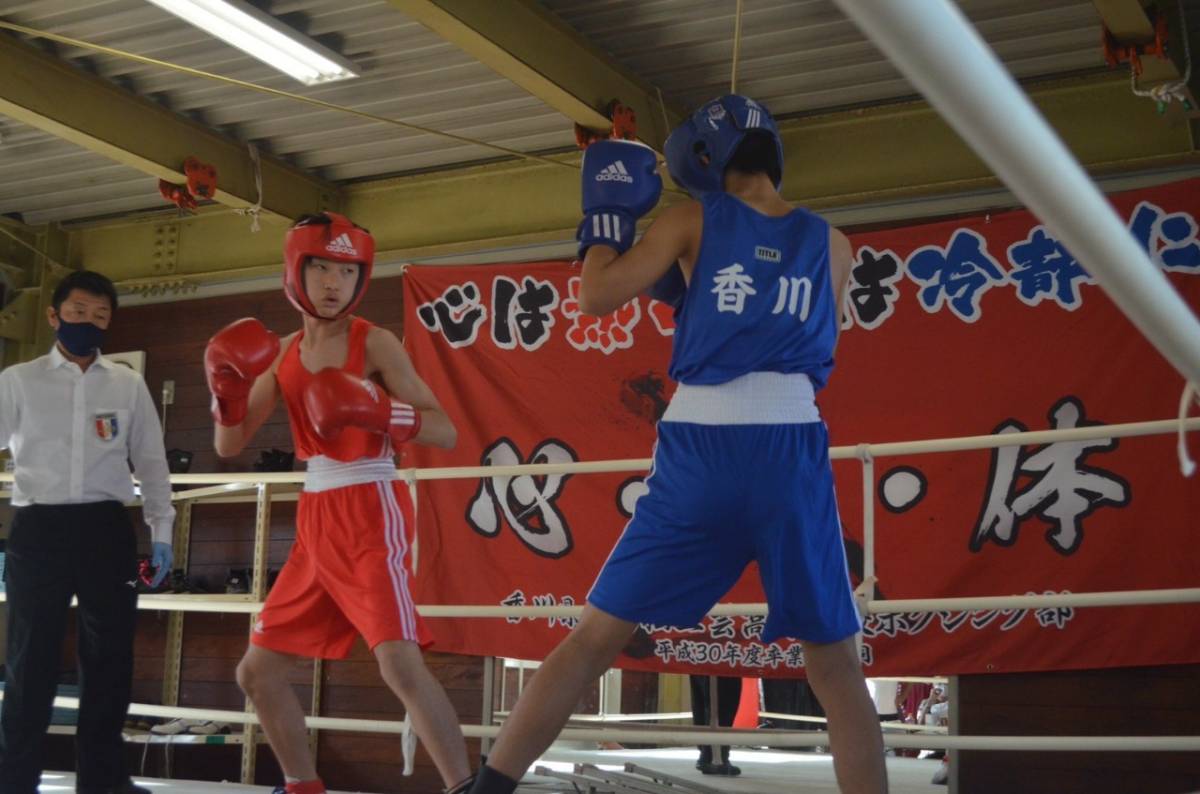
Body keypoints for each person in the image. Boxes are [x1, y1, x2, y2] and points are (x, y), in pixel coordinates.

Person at [468, 95, 887, 794]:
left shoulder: (689, 219)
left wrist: (606, 225)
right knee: (836, 665)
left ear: (700, 157)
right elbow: (789, 336)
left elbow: (596, 294)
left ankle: (488, 790)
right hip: (790, 448)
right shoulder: (834, 243)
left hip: (703, 447)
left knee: (595, 638)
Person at [204, 213, 472, 794]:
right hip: (315, 513)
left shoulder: (374, 341)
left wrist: (377, 410)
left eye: (347, 272)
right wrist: (224, 392)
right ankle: (302, 786)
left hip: (371, 504)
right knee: (257, 672)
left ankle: (466, 788)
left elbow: (445, 430)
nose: (333, 282)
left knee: (399, 664)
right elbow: (229, 444)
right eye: (322, 267)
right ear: (295, 271)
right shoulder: (281, 352)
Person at [0, 270, 175, 794]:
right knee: (30, 659)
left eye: (100, 315)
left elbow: (151, 459)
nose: (88, 322)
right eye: (78, 311)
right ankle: (13, 780)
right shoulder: (18, 380)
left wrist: (161, 528)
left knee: (110, 659)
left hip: (105, 527)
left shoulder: (126, 382)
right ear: (54, 315)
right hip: (38, 529)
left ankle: (104, 782)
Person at [689, 675, 741, 775]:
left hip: (700, 662)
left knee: (702, 702)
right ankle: (715, 758)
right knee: (723, 702)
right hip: (722, 665)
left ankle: (707, 756)